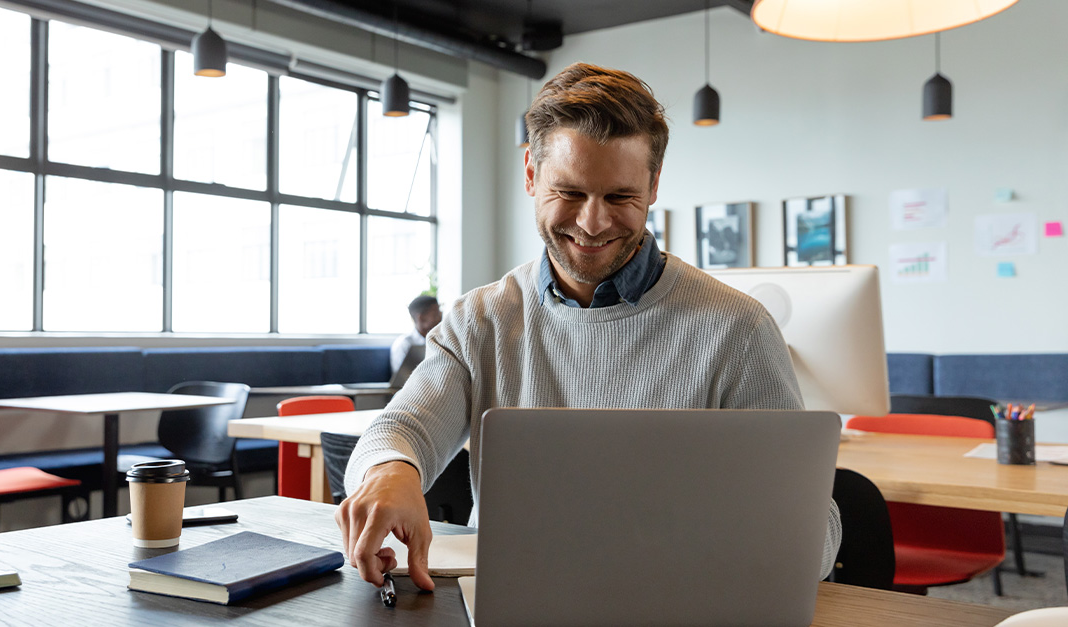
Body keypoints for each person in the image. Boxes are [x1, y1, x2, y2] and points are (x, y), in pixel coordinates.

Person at [336, 62, 840, 592]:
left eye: (620, 197)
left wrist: (752, 523)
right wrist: (390, 471)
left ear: (653, 185)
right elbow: (399, 430)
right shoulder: (478, 321)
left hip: (676, 598)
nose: (592, 223)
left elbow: (818, 536)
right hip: (515, 597)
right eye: (570, 193)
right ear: (531, 174)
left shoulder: (739, 330)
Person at [390, 295, 441, 373]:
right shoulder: (405, 344)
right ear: (422, 318)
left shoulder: (439, 340)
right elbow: (403, 377)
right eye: (435, 314)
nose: (440, 317)